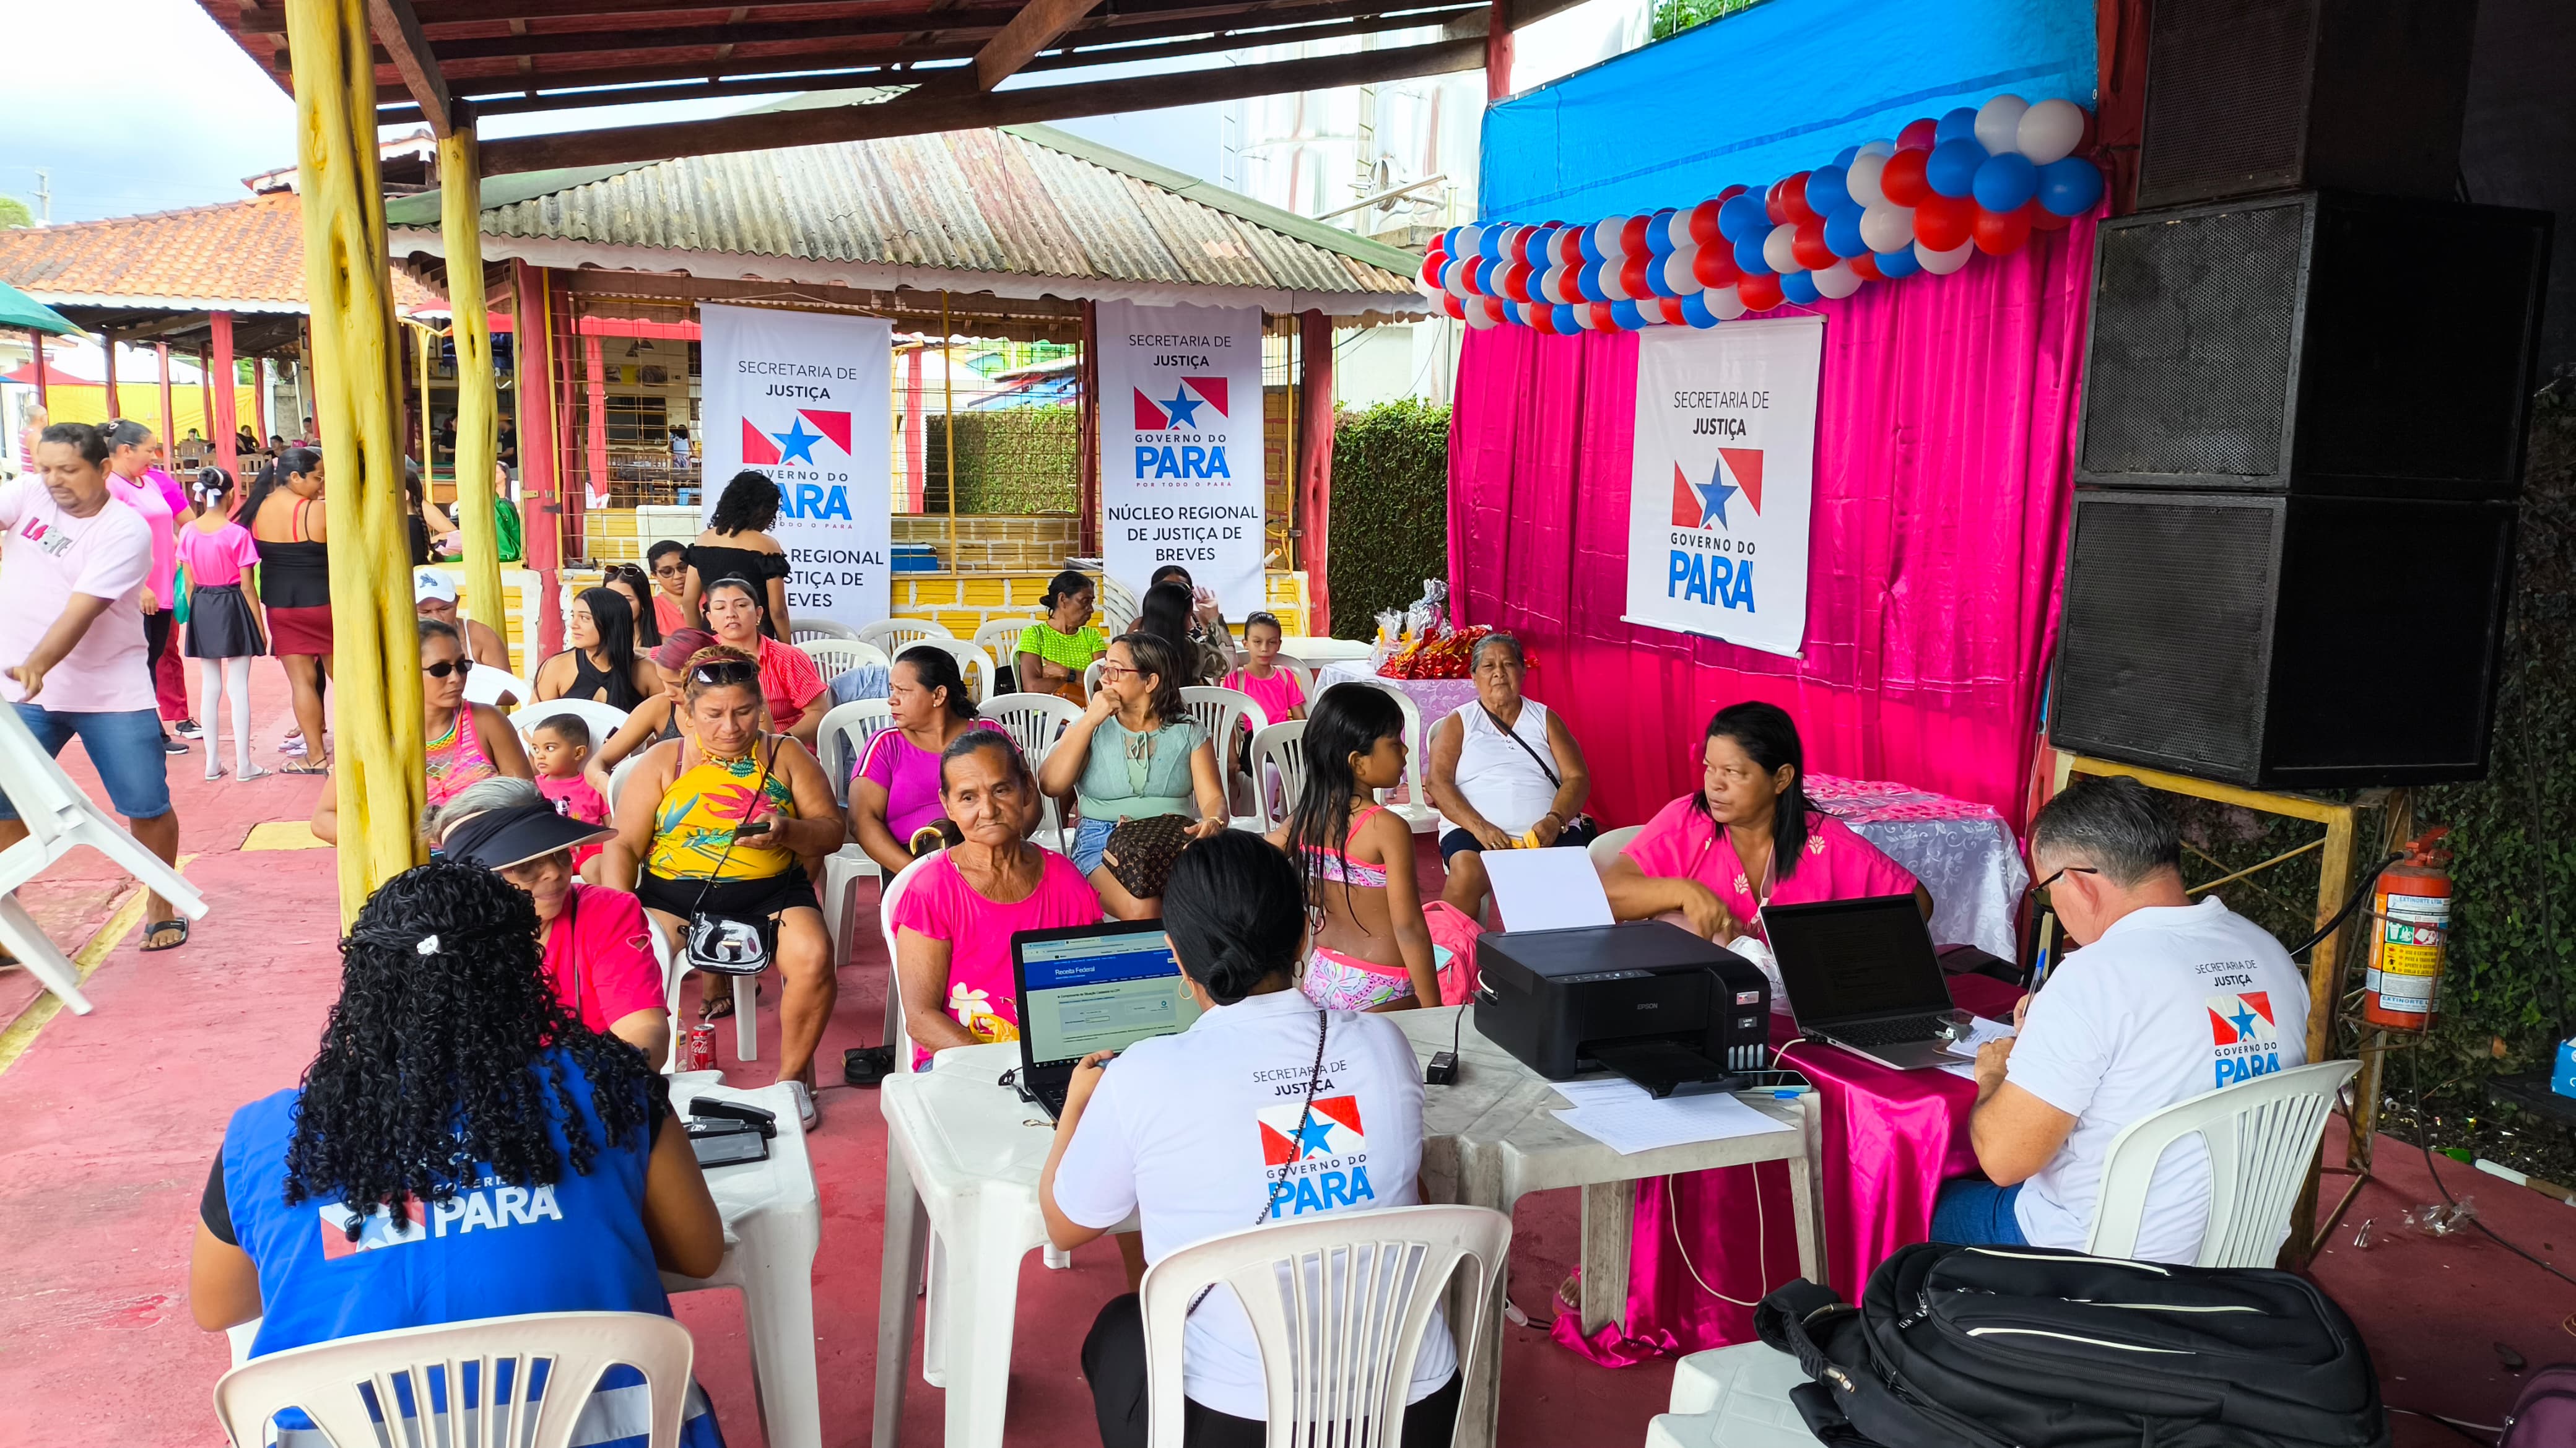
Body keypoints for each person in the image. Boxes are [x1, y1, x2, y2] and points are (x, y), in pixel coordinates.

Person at [189, 863, 726, 1447]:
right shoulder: (611, 1088)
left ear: (365, 982)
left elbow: (219, 1306)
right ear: (524, 973)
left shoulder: (264, 1136)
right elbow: (698, 1254)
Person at [1040, 830, 1461, 1448]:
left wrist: (1076, 1106)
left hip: (1243, 1424)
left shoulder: (1143, 1072)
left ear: (1176, 957)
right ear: (1300, 938)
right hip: (1414, 1409)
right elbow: (1402, 1187)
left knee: (1118, 1330)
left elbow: (1064, 1225)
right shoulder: (1383, 1043)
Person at [1939, 776, 2309, 1260]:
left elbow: (2004, 1160)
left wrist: (1995, 1074)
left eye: (2048, 894)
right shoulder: (2269, 952)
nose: (2057, 912)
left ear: (2078, 882)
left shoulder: (2093, 978)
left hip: (2099, 1260)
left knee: (1909, 1200)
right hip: (2237, 1252)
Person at [601, 646, 841, 1123]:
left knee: (814, 956)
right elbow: (623, 845)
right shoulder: (663, 761)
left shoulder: (785, 754)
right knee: (634, 961)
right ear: (687, 713)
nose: (730, 727)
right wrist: (620, 906)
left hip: (772, 891)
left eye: (744, 711)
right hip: (674, 896)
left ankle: (791, 1082)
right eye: (713, 714)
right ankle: (644, 1084)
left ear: (762, 708)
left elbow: (833, 829)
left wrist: (787, 830)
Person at [0, 423, 188, 952]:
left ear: (103, 468)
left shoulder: (123, 531)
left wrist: (39, 662)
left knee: (145, 802)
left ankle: (161, 901)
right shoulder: (30, 492)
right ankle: (4, 920)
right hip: (24, 691)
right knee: (7, 805)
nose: (54, 480)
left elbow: (82, 610)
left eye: (69, 469)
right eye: (46, 468)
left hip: (109, 692)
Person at [1603, 701, 1929, 945]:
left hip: (1794, 1013)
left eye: (1732, 773)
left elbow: (1917, 903)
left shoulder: (1824, 840)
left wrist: (1837, 946)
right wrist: (1682, 891)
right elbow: (1608, 893)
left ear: (1781, 779)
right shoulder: (1687, 820)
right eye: (1709, 768)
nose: (1714, 784)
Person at [891, 730, 1102, 1057]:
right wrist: (1002, 1067)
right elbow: (921, 1018)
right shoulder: (932, 891)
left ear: (1027, 790)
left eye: (1001, 790)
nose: (988, 810)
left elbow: (1093, 986)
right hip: (963, 1061)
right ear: (948, 805)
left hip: (1056, 1055)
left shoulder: (1065, 880)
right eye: (968, 798)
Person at [430, 781, 670, 1062]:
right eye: (525, 866)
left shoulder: (607, 913)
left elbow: (644, 1029)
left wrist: (603, 1084)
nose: (555, 873)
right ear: (474, 881)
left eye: (560, 854)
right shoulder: (440, 939)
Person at [1037, 633, 1230, 919]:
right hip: (1104, 840)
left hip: (1172, 841)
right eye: (1105, 668)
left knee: (1218, 901)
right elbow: (1050, 784)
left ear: (1150, 682)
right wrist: (1090, 719)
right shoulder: (1091, 727)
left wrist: (1214, 821)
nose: (1105, 678)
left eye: (1115, 670)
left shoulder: (1188, 731)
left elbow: (1213, 798)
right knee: (1144, 908)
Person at [1272, 684, 1439, 1011]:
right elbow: (1409, 928)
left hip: (1322, 972)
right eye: (1395, 743)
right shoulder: (1386, 827)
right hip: (1382, 982)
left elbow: (1259, 858)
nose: (1405, 752)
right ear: (1358, 763)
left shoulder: (1306, 817)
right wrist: (1436, 1012)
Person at [312, 620, 532, 844]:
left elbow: (527, 801)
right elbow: (323, 819)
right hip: (407, 867)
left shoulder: (487, 722)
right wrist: (389, 845)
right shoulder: (375, 735)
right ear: (404, 672)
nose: (456, 678)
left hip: (485, 862)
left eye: (462, 665)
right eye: (441, 669)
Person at [1425, 633, 1596, 916]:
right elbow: (1438, 782)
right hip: (1475, 831)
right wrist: (1480, 828)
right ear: (1474, 676)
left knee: (1573, 885)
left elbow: (1577, 778)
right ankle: (1449, 953)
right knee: (1467, 872)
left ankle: (1557, 955)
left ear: (1523, 671)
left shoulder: (1545, 718)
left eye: (1508, 664)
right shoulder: (1461, 721)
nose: (1499, 674)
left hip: (1548, 831)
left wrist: (1554, 821)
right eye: (1488, 667)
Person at [242, 446, 331, 773]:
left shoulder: (257, 510)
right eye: (317, 478)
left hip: (281, 606)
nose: (320, 486)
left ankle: (316, 756)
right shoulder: (317, 511)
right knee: (345, 681)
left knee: (301, 683)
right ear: (295, 477)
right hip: (325, 603)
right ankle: (359, 750)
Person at [177, 466, 269, 783]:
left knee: (210, 685)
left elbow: (188, 582)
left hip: (202, 603)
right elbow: (247, 586)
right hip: (233, 604)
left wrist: (196, 614)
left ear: (200, 495)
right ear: (231, 495)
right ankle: (244, 764)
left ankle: (212, 763)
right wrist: (259, 625)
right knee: (238, 685)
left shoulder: (188, 532)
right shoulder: (237, 534)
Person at [100, 421, 187, 757]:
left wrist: (174, 543)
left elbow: (161, 524)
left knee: (151, 660)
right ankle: (147, 734)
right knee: (138, 663)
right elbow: (110, 540)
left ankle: (151, 731)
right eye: (149, 449)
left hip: (163, 586)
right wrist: (138, 587)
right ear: (125, 450)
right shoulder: (114, 487)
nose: (154, 456)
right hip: (140, 591)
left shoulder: (148, 482)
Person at [700, 575, 827, 748]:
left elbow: (818, 712)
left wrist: (778, 744)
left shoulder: (788, 657)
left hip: (783, 751)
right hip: (716, 750)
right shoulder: (701, 656)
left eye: (741, 605)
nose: (731, 614)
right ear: (710, 619)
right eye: (720, 608)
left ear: (759, 614)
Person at [591, 627, 714, 782]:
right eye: (663, 681)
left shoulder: (738, 712)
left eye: (677, 685)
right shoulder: (662, 706)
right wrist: (609, 787)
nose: (668, 692)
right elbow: (597, 764)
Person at [684, 470, 792, 639]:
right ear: (764, 511)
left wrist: (696, 643)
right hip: (755, 638)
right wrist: (787, 652)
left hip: (714, 637)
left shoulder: (703, 540)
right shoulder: (767, 545)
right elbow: (778, 610)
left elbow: (689, 602)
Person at [533, 586, 656, 711]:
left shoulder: (647, 671)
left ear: (611, 623)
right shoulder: (557, 667)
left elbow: (670, 724)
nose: (573, 625)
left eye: (584, 618)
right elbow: (531, 724)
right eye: (573, 616)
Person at [526, 714, 611, 877]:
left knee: (594, 869)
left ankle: (605, 901)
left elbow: (611, 827)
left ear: (578, 753)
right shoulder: (532, 786)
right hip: (549, 851)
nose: (539, 756)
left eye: (549, 748)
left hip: (589, 849)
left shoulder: (592, 784)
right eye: (536, 749)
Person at [1015, 568, 1105, 703]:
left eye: (1091, 602)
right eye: (1085, 601)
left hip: (1087, 713)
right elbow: (1032, 687)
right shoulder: (1035, 634)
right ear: (1063, 599)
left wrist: (1068, 674)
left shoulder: (1092, 636)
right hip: (1046, 715)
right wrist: (1084, 680)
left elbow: (1104, 685)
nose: (1091, 609)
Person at [1149, 563, 1244, 673]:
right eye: (1170, 591)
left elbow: (1229, 665)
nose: (1190, 625)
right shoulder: (1189, 649)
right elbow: (1228, 664)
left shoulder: (1190, 648)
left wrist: (1214, 616)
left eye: (1183, 589)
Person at [412, 570, 513, 673]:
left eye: (444, 609)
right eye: (425, 612)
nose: (436, 618)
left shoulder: (481, 636)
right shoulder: (403, 644)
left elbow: (508, 685)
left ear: (457, 602)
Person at [1221, 610, 1306, 726]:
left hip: (1282, 739)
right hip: (1251, 739)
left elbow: (1300, 721)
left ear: (1279, 645)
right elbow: (1227, 722)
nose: (1264, 648)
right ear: (1246, 644)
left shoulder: (1286, 676)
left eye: (1271, 642)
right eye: (1257, 642)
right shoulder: (1235, 678)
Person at [1138, 581, 1227, 685]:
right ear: (1175, 621)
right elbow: (1227, 664)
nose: (1190, 626)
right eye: (1188, 618)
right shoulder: (1191, 651)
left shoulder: (1132, 650)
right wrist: (1214, 618)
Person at [606, 562, 666, 650]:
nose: (617, 606)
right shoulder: (593, 644)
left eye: (627, 600)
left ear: (643, 601)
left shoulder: (666, 646)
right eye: (610, 599)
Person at [646, 540, 692, 637]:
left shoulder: (714, 598)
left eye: (683, 567)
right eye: (667, 572)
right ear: (655, 575)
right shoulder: (651, 609)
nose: (678, 576)